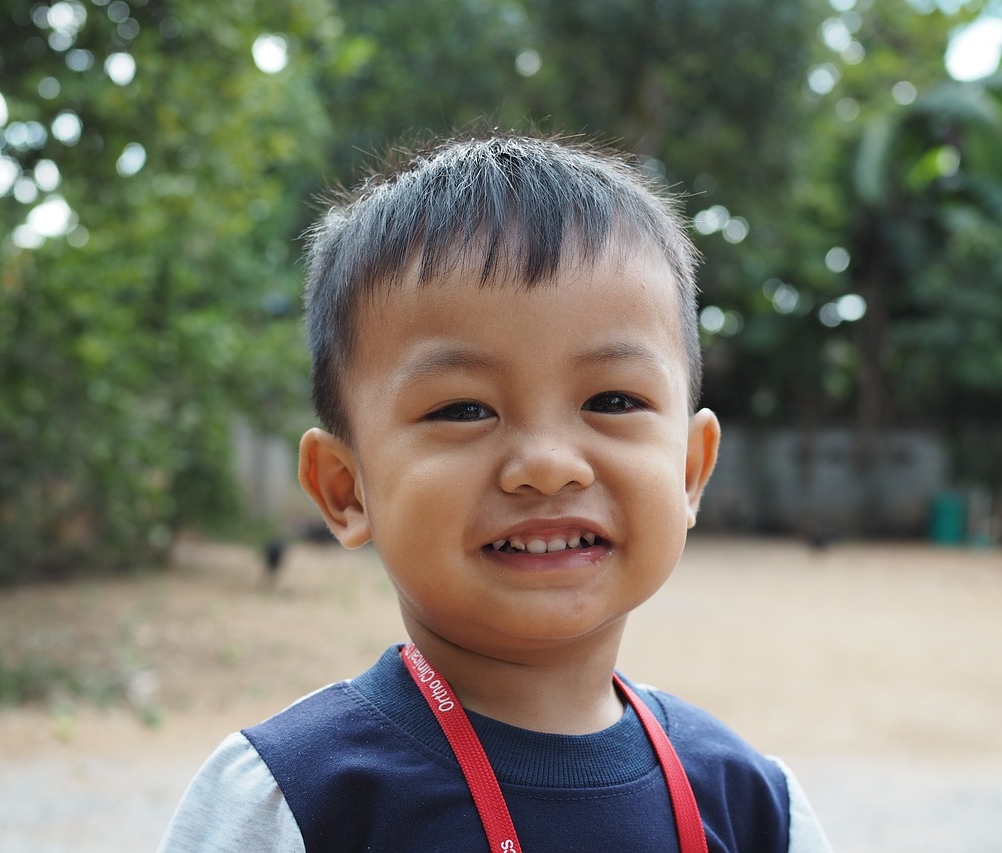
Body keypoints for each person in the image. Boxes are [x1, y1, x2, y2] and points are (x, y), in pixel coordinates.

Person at [157, 133, 831, 852]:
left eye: (611, 398)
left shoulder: (754, 807)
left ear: (691, 470)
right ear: (346, 489)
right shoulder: (294, 800)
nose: (547, 464)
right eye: (463, 409)